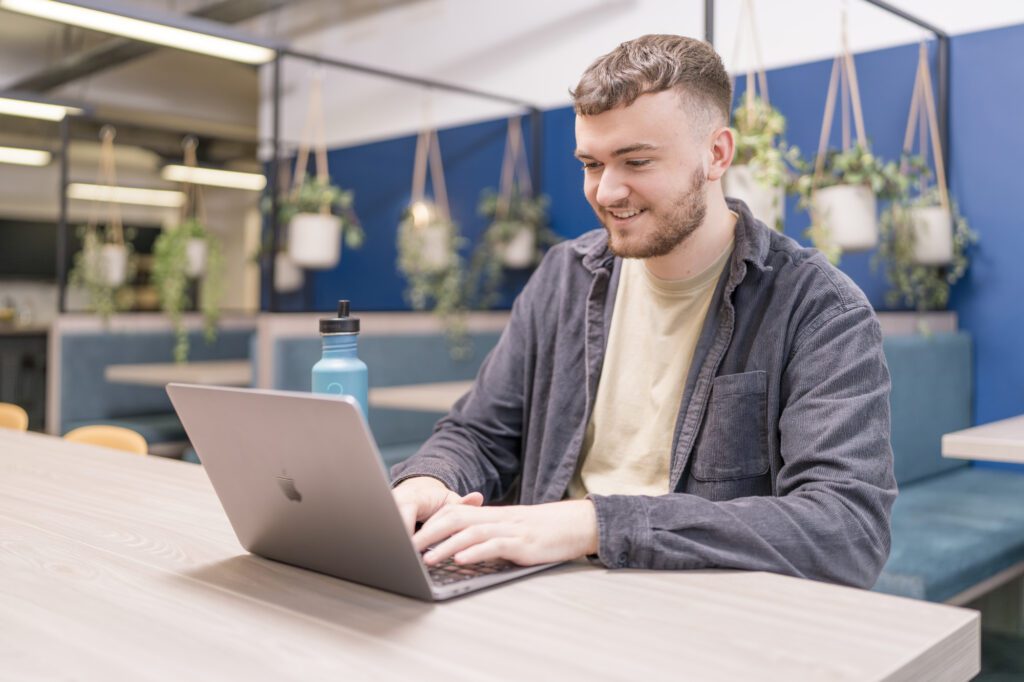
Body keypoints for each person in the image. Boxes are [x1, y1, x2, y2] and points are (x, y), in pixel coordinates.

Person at [391, 34, 897, 588]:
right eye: (591, 164)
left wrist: (597, 524)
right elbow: (480, 433)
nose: (607, 191)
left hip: (699, 605)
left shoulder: (820, 309)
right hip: (540, 591)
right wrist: (428, 481)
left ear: (717, 155)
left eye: (636, 161)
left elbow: (847, 531)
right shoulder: (565, 275)